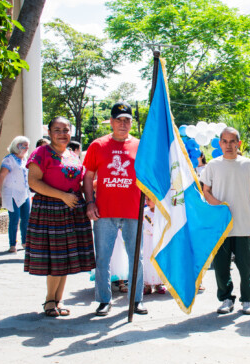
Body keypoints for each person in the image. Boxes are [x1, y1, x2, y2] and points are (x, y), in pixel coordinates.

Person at [24, 117, 95, 317]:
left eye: (66, 130)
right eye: (57, 130)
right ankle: (49, 300)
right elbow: (34, 182)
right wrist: (62, 196)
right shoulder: (41, 153)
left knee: (64, 259)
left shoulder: (72, 155)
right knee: (55, 259)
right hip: (50, 210)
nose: (62, 134)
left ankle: (58, 299)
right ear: (49, 132)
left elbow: (80, 184)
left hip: (72, 210)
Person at [83, 101, 147, 316]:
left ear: (131, 122)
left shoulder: (140, 145)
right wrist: (89, 202)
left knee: (135, 257)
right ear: (111, 121)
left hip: (133, 211)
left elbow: (147, 175)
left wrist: (149, 197)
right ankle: (103, 300)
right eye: (118, 120)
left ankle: (136, 300)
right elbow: (89, 175)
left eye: (127, 120)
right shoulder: (98, 145)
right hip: (104, 211)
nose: (122, 124)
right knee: (103, 257)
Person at [201, 127, 250, 315]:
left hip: (243, 223)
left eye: (232, 141)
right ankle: (226, 299)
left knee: (245, 266)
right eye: (224, 141)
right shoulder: (213, 165)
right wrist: (219, 205)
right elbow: (206, 191)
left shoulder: (248, 164)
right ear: (220, 144)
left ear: (238, 143)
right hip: (221, 225)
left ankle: (247, 300)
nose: (228, 145)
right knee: (221, 266)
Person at [0, 136, 31, 253]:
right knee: (14, 219)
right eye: (22, 145)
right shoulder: (9, 159)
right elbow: (2, 175)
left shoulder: (25, 160)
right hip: (13, 193)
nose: (25, 148)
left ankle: (25, 242)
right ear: (16, 145)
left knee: (26, 218)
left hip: (24, 193)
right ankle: (12, 244)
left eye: (26, 145)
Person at [143, 196, 167, 295]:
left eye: (149, 199)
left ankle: (158, 284)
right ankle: (147, 285)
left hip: (158, 240)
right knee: (147, 260)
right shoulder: (144, 212)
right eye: (146, 199)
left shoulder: (162, 212)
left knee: (158, 261)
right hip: (147, 240)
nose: (147, 201)